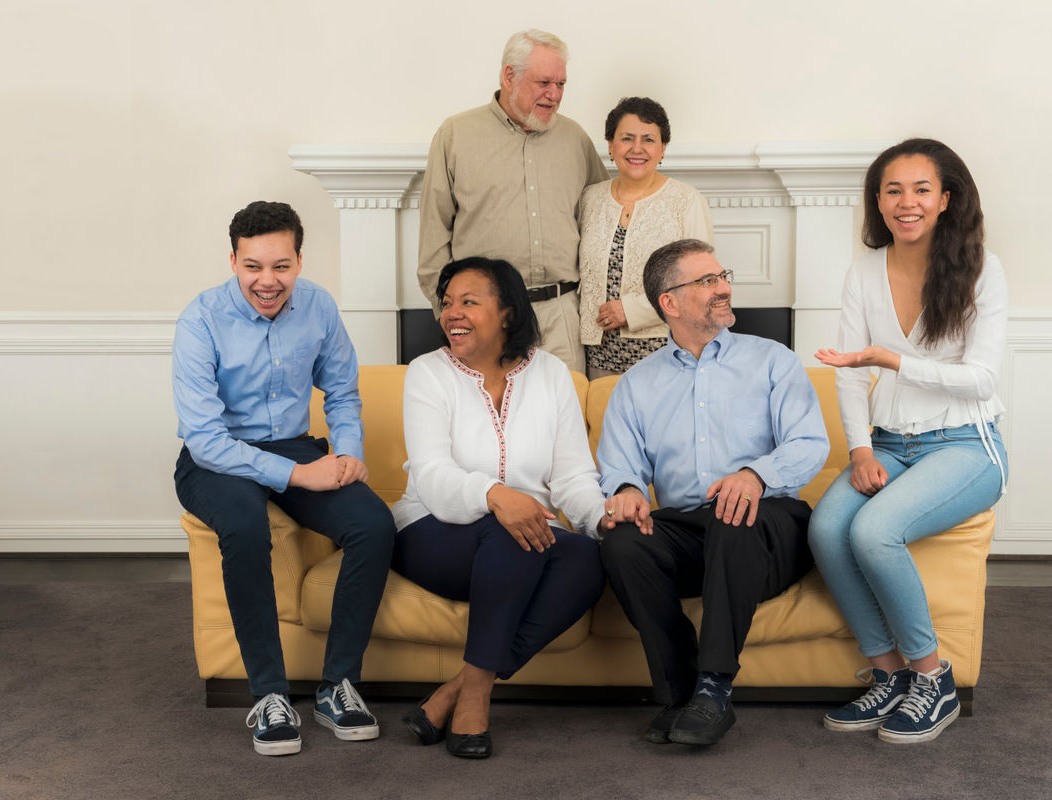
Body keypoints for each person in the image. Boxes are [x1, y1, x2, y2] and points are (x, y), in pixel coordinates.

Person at [172, 201, 395, 756]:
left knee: (373, 522)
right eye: (253, 266)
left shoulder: (318, 306)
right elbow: (205, 439)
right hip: (216, 456)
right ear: (233, 261)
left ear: (299, 260)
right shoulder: (200, 320)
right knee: (245, 526)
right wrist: (298, 475)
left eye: (281, 266)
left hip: (293, 444)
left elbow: (342, 392)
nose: (267, 281)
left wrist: (346, 454)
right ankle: (269, 695)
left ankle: (337, 685)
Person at [809, 138, 1008, 744]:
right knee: (824, 529)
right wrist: (862, 450)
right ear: (878, 201)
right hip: (889, 445)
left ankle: (933, 676)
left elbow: (981, 381)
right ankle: (888, 673)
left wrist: (893, 360)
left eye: (922, 189)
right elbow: (848, 371)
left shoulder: (981, 268)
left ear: (946, 199)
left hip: (966, 446)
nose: (907, 202)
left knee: (873, 530)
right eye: (893, 190)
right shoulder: (864, 271)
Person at [597, 239, 829, 746]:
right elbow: (618, 466)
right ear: (669, 303)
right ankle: (682, 693)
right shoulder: (635, 385)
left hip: (769, 525)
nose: (723, 288)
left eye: (722, 276)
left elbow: (810, 443)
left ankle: (714, 685)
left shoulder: (773, 361)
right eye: (706, 281)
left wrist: (755, 475)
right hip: (690, 531)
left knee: (734, 510)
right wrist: (627, 490)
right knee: (622, 541)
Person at [392, 257, 607, 759]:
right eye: (447, 304)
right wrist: (495, 495)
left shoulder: (552, 373)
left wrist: (602, 518)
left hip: (522, 537)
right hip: (430, 530)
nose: (452, 314)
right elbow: (432, 475)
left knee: (588, 558)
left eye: (469, 301)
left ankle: (460, 687)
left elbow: (573, 476)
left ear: (507, 312)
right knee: (514, 533)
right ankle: (475, 705)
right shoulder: (428, 373)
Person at [417, 29, 609, 373]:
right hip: (487, 316)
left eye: (561, 84)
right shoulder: (455, 136)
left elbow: (602, 227)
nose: (554, 95)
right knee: (487, 423)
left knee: (564, 422)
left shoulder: (575, 139)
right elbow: (433, 240)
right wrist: (453, 316)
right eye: (544, 82)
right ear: (509, 76)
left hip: (562, 315)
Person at [578, 96, 714, 379]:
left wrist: (631, 310)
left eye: (648, 140)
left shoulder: (686, 201)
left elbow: (702, 284)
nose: (636, 149)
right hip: (597, 357)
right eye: (626, 138)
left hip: (666, 353)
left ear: (662, 148)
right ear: (611, 145)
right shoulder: (590, 199)